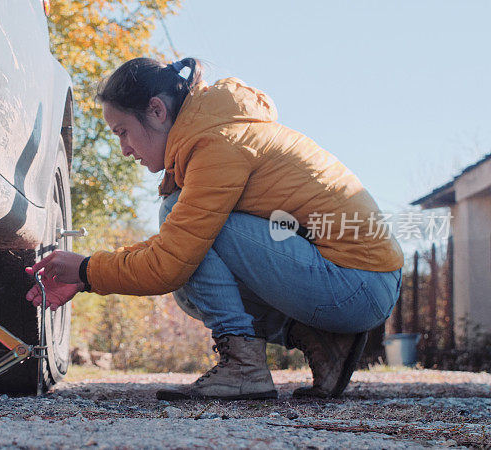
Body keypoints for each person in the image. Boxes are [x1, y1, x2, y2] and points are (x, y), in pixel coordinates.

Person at [25, 57, 403, 401]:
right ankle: (320, 340)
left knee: (184, 231)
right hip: (358, 281)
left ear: (156, 110)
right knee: (190, 278)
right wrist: (87, 274)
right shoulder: (214, 131)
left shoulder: (217, 143)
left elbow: (170, 261)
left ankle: (243, 366)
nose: (124, 148)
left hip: (358, 283)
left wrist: (87, 270)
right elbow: (173, 250)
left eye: (123, 131)